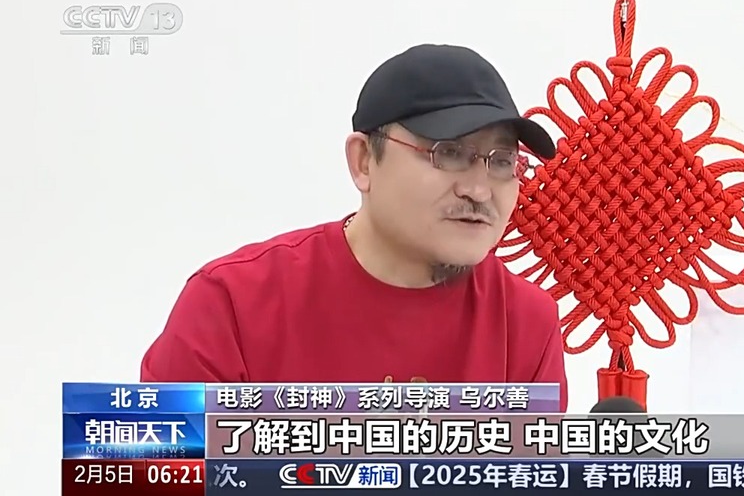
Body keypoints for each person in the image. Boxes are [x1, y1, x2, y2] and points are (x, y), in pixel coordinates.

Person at [140, 44, 568, 410]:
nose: (478, 189)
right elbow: (156, 471)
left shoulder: (525, 323)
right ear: (363, 162)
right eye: (449, 153)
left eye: (502, 161)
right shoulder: (231, 304)